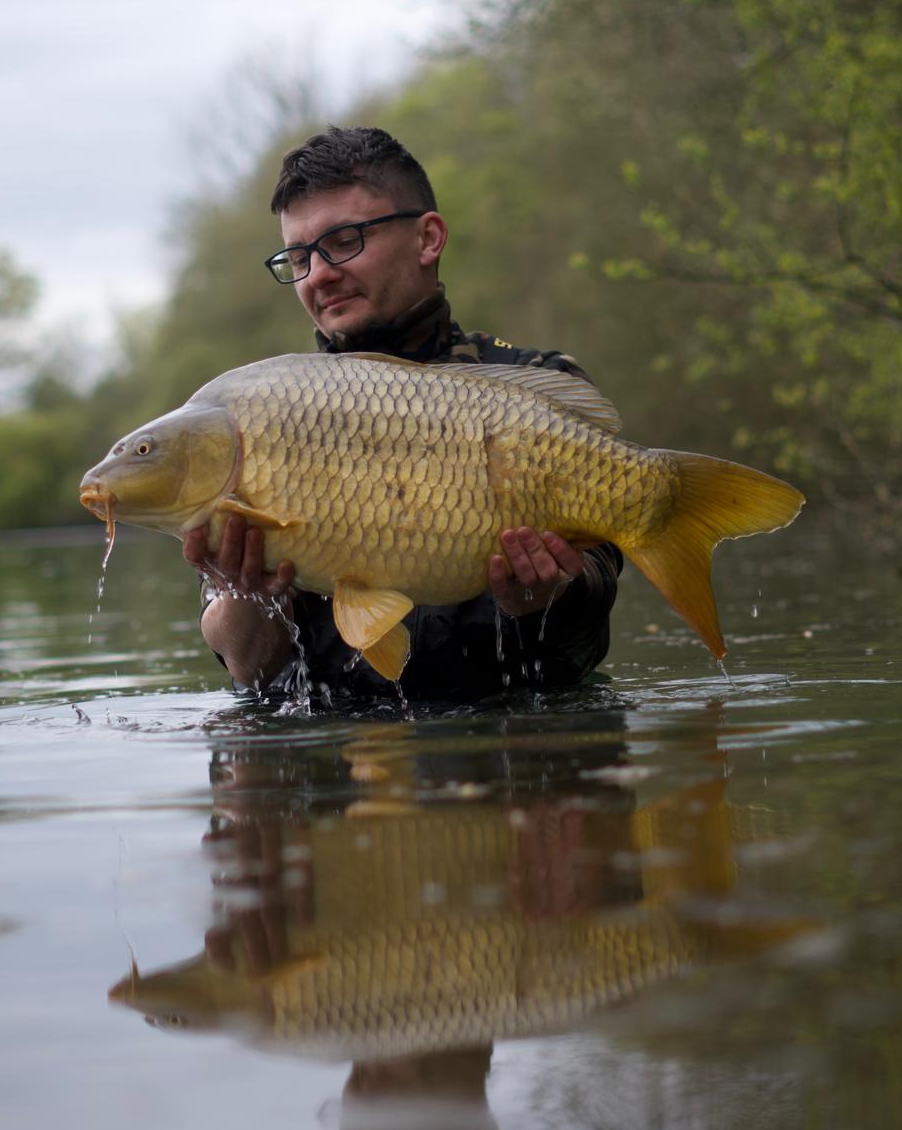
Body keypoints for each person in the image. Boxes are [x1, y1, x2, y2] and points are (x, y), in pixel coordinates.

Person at [182, 125, 621, 701]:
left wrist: (544, 597)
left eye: (344, 241)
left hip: (513, 746)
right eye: (298, 256)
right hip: (332, 760)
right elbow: (249, 673)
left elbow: (590, 624)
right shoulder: (262, 418)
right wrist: (249, 593)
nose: (319, 274)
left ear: (428, 238)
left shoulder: (539, 392)